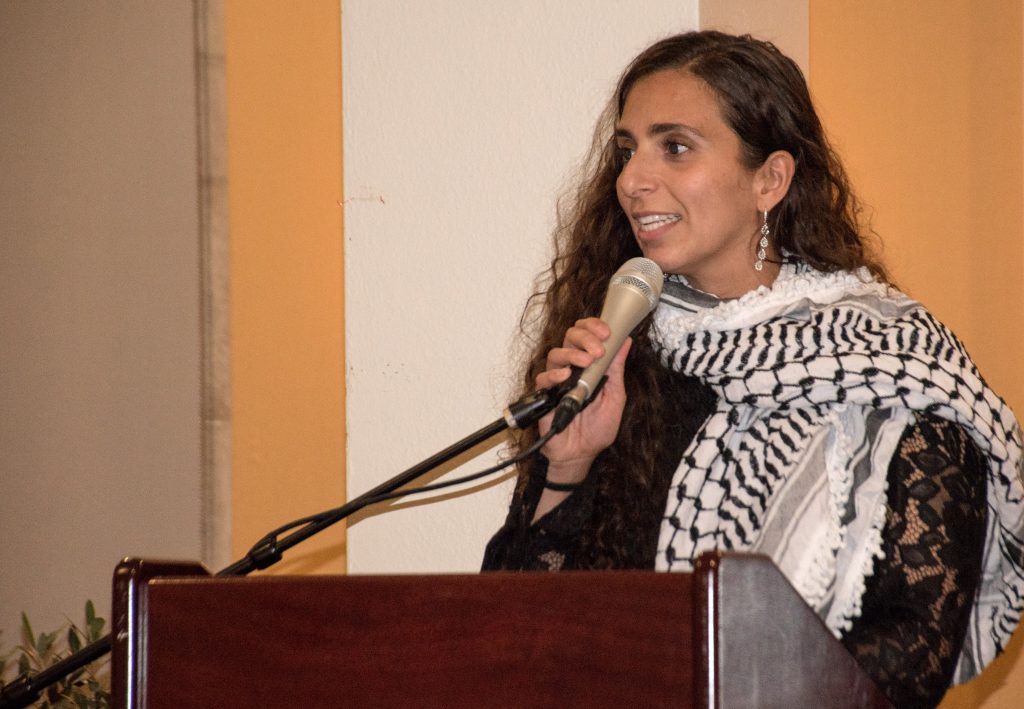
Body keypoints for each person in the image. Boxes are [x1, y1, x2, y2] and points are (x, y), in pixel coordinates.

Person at [481, 30, 1024, 708]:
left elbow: (912, 654)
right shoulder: (625, 362)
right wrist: (566, 469)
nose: (631, 179)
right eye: (627, 150)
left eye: (675, 146)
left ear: (770, 179)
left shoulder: (892, 367)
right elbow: (512, 638)